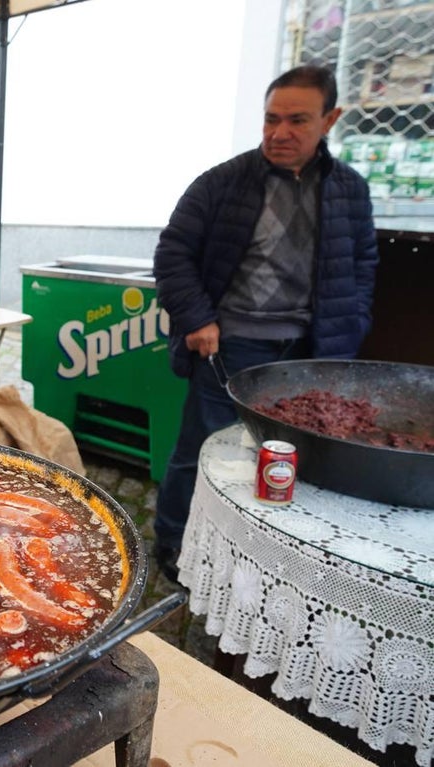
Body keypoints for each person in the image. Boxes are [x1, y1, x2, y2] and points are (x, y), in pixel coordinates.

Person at [151, 65, 379, 581]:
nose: (280, 133)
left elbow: (363, 264)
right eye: (271, 119)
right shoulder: (222, 183)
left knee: (298, 456)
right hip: (231, 347)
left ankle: (267, 553)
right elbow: (173, 254)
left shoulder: (350, 190)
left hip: (311, 352)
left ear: (331, 119)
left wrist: (352, 325)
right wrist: (197, 318)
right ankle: (172, 540)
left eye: (297, 120)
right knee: (200, 450)